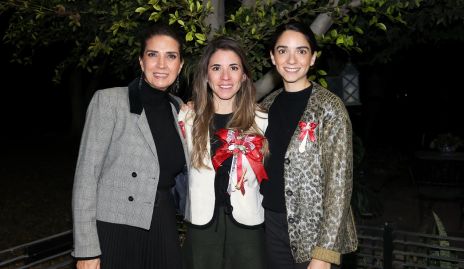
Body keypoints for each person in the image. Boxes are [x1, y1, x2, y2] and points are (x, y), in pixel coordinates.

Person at [71, 22, 188, 269]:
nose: (161, 65)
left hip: (163, 223)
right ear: (141, 61)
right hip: (115, 227)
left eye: (171, 56)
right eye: (153, 55)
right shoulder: (109, 101)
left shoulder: (179, 108)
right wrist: (87, 249)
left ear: (180, 65)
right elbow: (85, 178)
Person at [259, 21, 358, 269]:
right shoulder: (266, 106)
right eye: (283, 50)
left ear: (313, 58)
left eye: (301, 51)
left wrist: (324, 253)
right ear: (273, 57)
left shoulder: (329, 108)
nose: (291, 59)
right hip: (270, 227)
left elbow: (340, 185)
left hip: (314, 233)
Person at [178, 37, 268, 269]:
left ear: (244, 76)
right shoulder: (187, 118)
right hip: (201, 227)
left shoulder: (263, 120)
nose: (225, 77)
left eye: (234, 68)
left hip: (248, 227)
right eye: (216, 68)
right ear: (206, 76)